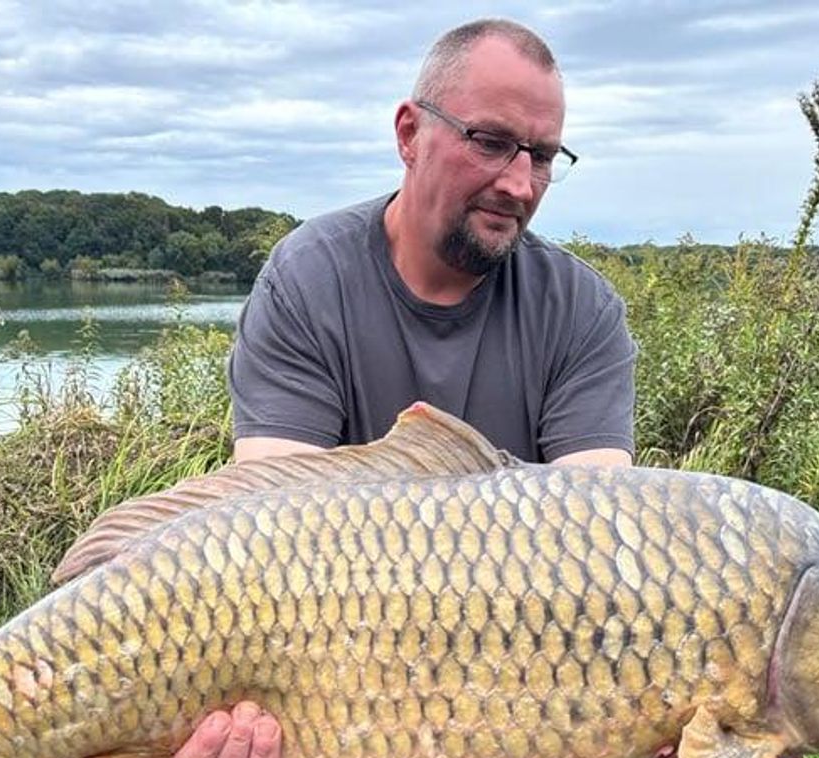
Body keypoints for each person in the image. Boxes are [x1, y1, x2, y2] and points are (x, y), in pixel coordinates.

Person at [176, 16, 637, 758]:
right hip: (321, 667)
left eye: (543, 156)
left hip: (513, 684)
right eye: (489, 141)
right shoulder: (308, 277)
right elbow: (261, 534)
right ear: (408, 133)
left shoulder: (581, 311)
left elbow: (601, 549)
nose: (518, 183)